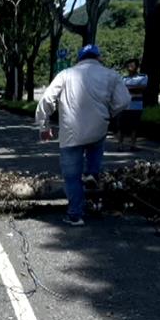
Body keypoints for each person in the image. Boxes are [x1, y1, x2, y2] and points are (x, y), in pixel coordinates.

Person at [36, 44, 131, 227]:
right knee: (96, 142)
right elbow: (125, 100)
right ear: (98, 58)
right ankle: (92, 173)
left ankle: (75, 215)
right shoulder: (111, 75)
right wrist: (109, 112)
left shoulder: (66, 74)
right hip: (98, 129)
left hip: (71, 133)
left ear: (79, 59)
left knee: (72, 178)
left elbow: (47, 99)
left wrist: (43, 126)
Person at [118, 58, 147, 151]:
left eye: (132, 65)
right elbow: (120, 89)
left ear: (137, 67)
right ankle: (120, 145)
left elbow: (142, 88)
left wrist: (127, 88)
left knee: (135, 126)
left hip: (137, 105)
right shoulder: (123, 78)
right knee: (122, 127)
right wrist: (133, 88)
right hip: (125, 106)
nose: (130, 67)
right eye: (128, 65)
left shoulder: (143, 76)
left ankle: (133, 145)